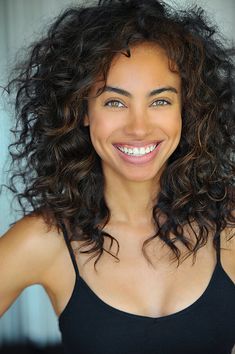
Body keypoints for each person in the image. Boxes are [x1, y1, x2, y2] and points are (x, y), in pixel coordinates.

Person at [0, 0, 235, 353]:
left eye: (160, 101)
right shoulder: (45, 239)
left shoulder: (229, 224)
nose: (139, 128)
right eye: (114, 102)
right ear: (81, 110)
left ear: (186, 110)